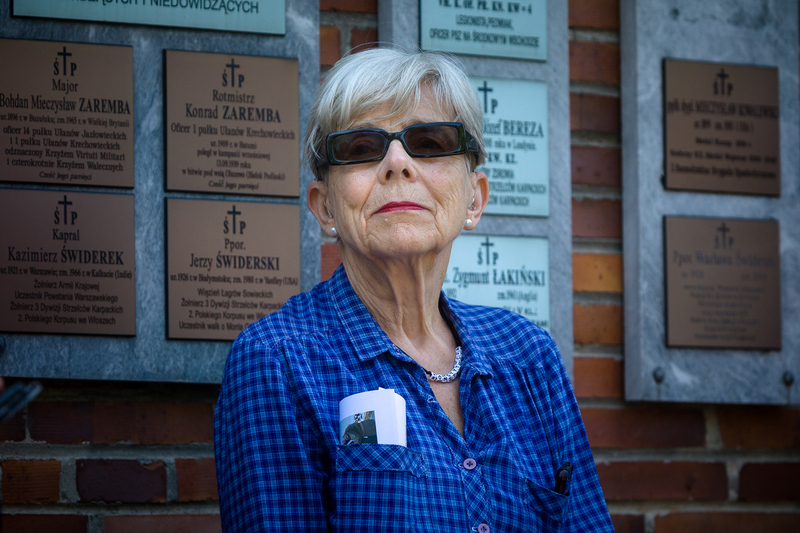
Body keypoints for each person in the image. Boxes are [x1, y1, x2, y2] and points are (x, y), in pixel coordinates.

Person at [214, 48, 614, 532]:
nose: (398, 163)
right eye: (362, 148)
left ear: (474, 198)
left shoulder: (530, 356)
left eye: (429, 141)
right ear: (324, 208)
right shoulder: (278, 361)